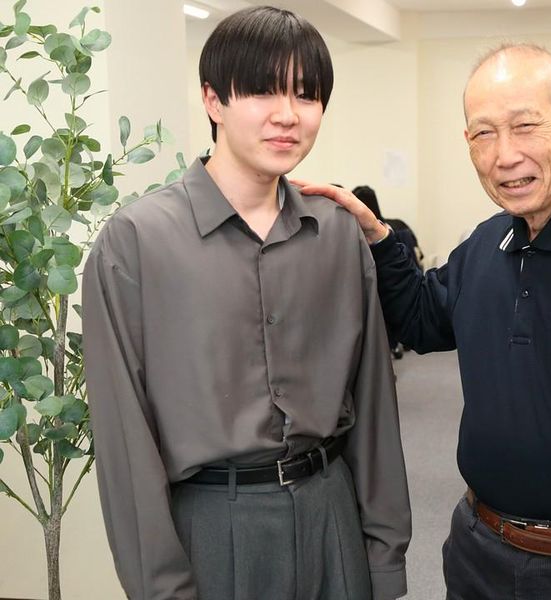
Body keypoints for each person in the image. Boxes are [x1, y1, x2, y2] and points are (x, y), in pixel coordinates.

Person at [298, 43, 551, 600]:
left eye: (525, 126)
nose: (505, 155)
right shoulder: (485, 243)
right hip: (477, 551)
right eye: (483, 134)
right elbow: (423, 319)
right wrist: (379, 237)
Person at [82, 7, 410, 600]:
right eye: (263, 91)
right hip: (212, 530)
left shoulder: (337, 234)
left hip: (332, 516)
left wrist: (384, 560)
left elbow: (373, 405)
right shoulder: (135, 243)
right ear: (214, 100)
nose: (288, 115)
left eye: (306, 95)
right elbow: (125, 441)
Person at [352, 184, 424, 358]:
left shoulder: (361, 234)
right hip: (405, 285)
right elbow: (419, 254)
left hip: (376, 288)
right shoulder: (397, 226)